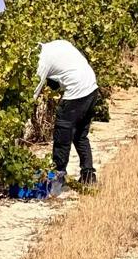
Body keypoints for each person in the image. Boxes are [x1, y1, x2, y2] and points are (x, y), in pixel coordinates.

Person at [34, 39, 99, 187]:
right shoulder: (59, 44)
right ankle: (88, 175)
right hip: (92, 86)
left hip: (77, 92)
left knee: (62, 132)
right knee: (80, 135)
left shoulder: (42, 62)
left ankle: (58, 178)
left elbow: (34, 93)